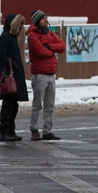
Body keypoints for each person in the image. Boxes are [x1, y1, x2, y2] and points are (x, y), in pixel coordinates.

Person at [27, 10, 66, 141]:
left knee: (49, 105)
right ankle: (34, 129)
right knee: (37, 104)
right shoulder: (32, 35)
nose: (46, 20)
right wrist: (52, 51)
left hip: (51, 73)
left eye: (46, 17)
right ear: (37, 21)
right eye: (43, 18)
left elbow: (62, 46)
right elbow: (40, 52)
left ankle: (47, 131)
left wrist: (49, 46)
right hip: (39, 74)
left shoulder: (50, 33)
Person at [0, 14, 28, 142]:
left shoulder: (12, 37)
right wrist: (12, 63)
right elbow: (0, 54)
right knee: (8, 105)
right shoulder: (6, 36)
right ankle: (4, 131)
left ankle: (11, 131)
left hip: (14, 74)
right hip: (9, 74)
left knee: (14, 105)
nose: (21, 27)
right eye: (19, 24)